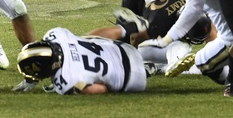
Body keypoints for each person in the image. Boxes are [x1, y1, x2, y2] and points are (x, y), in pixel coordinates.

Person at [16, 26, 148, 95]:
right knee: (85, 39)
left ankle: (150, 69)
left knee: (93, 80)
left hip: (133, 79)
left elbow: (100, 89)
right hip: (124, 48)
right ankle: (125, 28)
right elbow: (88, 38)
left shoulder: (66, 83)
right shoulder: (55, 35)